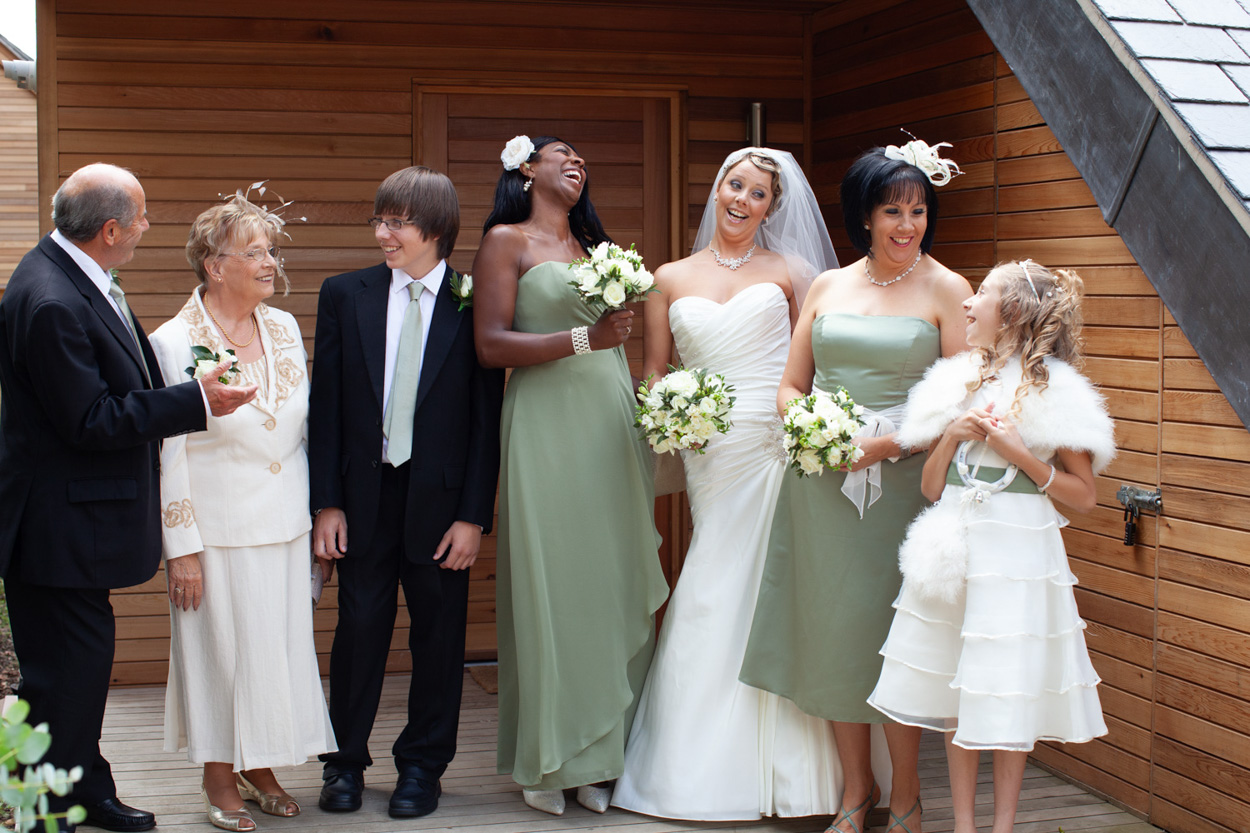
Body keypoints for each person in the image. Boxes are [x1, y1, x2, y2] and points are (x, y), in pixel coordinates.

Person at [0, 163, 255, 833]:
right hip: (58, 527)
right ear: (109, 229)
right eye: (140, 217)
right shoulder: (52, 298)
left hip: (69, 524)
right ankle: (54, 802)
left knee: (72, 671)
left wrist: (189, 384)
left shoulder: (75, 275)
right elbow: (90, 420)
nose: (147, 226)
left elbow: (118, 379)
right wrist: (196, 401)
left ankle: (75, 789)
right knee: (66, 673)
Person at [740, 138, 973, 833]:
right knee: (835, 632)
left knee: (892, 637)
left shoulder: (948, 289)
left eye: (918, 210)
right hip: (822, 486)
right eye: (892, 210)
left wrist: (884, 444)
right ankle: (854, 789)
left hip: (904, 486)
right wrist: (814, 427)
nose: (907, 225)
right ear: (864, 215)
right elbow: (789, 385)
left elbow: (959, 406)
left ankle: (907, 794)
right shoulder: (828, 286)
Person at [612, 147, 844, 820]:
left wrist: (813, 426)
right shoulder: (668, 277)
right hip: (709, 450)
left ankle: (794, 774)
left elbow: (816, 365)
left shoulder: (794, 272)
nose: (743, 199)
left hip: (774, 446)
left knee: (773, 588)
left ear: (773, 207)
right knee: (712, 584)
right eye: (734, 185)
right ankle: (691, 769)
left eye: (759, 193)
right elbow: (655, 371)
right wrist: (668, 413)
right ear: (716, 191)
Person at [868, 260, 1113, 833]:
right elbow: (931, 488)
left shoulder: (1056, 392)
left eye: (982, 293)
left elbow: (1085, 495)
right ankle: (964, 826)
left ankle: (1003, 826)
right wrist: (951, 435)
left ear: (1013, 312)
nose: (968, 303)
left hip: (1018, 553)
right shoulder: (954, 381)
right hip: (956, 546)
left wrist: (1019, 451)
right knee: (961, 683)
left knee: (1005, 682)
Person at [473, 135, 669, 816]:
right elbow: (491, 343)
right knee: (553, 585)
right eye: (561, 153)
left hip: (609, 424)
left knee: (607, 583)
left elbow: (619, 339)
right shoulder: (507, 240)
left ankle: (598, 757)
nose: (577, 162)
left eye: (584, 157)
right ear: (526, 168)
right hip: (546, 426)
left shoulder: (595, 250)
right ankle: (548, 757)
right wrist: (586, 337)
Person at [308, 166, 503, 819]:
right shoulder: (345, 294)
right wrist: (326, 501)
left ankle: (423, 767)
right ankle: (344, 764)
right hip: (363, 497)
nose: (383, 233)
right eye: (380, 219)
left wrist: (475, 514)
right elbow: (327, 405)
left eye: (397, 222)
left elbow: (487, 418)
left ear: (436, 229)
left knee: (440, 637)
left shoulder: (475, 300)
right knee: (358, 629)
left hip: (444, 505)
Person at [148, 191, 337, 832]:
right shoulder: (172, 342)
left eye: (270, 250)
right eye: (253, 252)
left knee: (275, 653)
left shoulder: (282, 327)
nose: (269, 262)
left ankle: (260, 769)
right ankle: (217, 775)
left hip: (284, 524)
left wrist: (316, 521)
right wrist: (183, 550)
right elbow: (169, 452)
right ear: (213, 265)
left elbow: (303, 431)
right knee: (217, 655)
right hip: (216, 529)